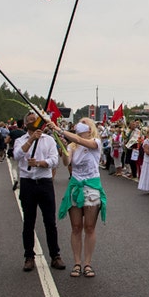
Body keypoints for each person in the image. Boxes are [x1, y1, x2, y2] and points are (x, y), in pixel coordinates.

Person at [52, 118, 106, 279]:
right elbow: (66, 162)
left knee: (89, 227)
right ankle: (77, 263)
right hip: (75, 187)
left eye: (85, 122)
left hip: (92, 188)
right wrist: (63, 149)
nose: (81, 124)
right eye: (80, 122)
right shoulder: (72, 145)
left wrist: (59, 129)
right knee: (76, 227)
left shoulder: (95, 142)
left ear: (90, 128)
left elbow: (79, 140)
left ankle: (87, 264)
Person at [13, 112, 65, 272]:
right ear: (25, 123)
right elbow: (16, 155)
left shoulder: (48, 140)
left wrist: (41, 163)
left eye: (34, 120)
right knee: (28, 221)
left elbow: (55, 160)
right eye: (28, 120)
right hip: (28, 183)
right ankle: (29, 256)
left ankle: (55, 255)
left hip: (44, 183)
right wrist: (31, 140)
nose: (31, 121)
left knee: (50, 221)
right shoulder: (20, 140)